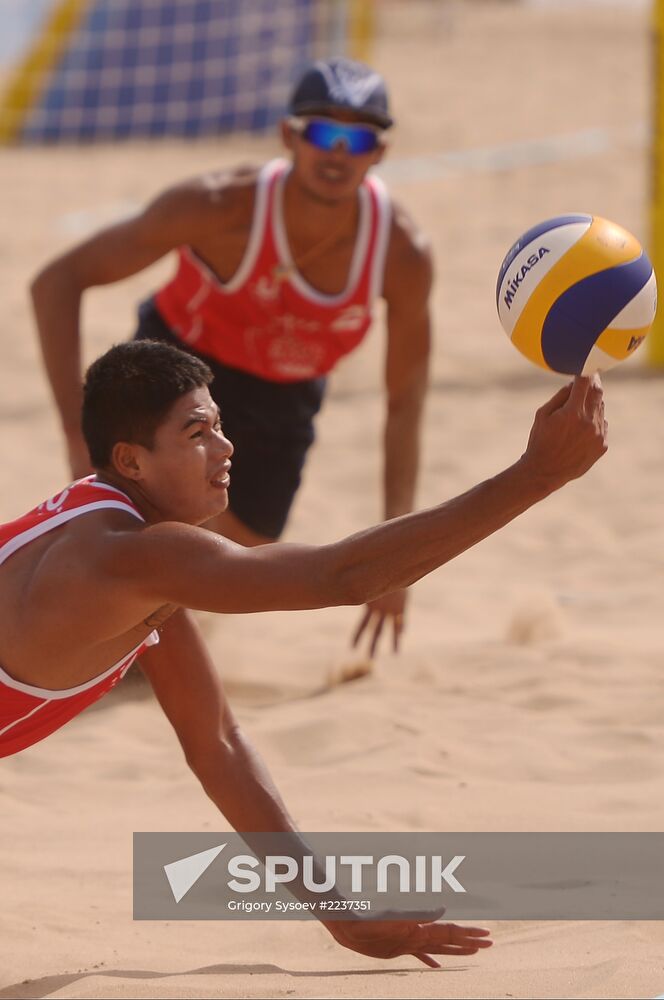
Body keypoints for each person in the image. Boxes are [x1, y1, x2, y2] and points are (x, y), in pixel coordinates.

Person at [0, 340, 607, 965]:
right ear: (131, 460)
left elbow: (217, 743)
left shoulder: (128, 549)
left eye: (219, 424)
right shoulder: (131, 558)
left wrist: (341, 915)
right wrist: (535, 476)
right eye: (197, 433)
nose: (225, 446)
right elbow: (340, 577)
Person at [30, 57, 432, 655]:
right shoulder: (219, 206)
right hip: (179, 366)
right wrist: (75, 433)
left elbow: (405, 403)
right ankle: (90, 626)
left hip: (286, 393)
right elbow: (56, 283)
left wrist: (399, 560)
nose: (337, 152)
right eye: (324, 132)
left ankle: (139, 609)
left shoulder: (401, 253)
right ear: (289, 135)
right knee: (154, 528)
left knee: (240, 556)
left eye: (357, 139)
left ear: (380, 152)